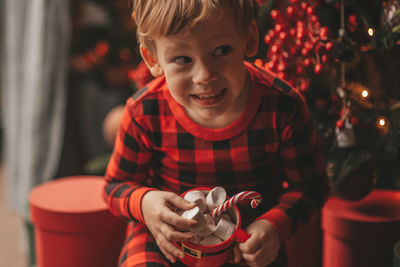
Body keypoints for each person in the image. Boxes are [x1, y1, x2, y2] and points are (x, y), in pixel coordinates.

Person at [103, 0, 330, 266]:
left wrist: (275, 225)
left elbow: (311, 186)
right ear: (153, 59)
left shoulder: (283, 107)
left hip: (249, 241)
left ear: (249, 39)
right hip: (165, 239)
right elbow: (114, 187)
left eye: (221, 51)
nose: (204, 76)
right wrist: (146, 204)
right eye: (182, 59)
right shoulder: (144, 112)